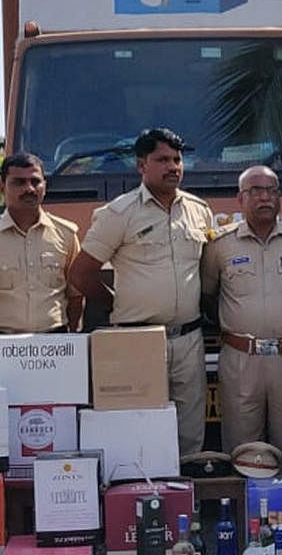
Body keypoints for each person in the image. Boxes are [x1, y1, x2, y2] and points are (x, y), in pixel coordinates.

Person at [68, 128, 214, 456]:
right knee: (140, 427)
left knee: (190, 429)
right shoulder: (118, 213)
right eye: (162, 159)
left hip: (189, 338)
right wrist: (114, 302)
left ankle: (187, 496)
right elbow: (80, 272)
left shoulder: (199, 210)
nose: (173, 166)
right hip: (138, 338)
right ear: (140, 166)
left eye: (177, 159)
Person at [201, 166, 282, 462]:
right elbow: (207, 296)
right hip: (242, 359)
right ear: (240, 198)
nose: (264, 197)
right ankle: (243, 506)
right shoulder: (219, 245)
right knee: (242, 449)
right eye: (255, 191)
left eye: (272, 190)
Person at [0, 153, 82, 374]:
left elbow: (75, 295)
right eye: (19, 182)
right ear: (1, 186)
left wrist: (69, 334)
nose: (29, 189)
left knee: (58, 408)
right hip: (3, 349)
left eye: (35, 181)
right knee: (4, 409)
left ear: (45, 185)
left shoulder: (66, 234)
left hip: (56, 348)